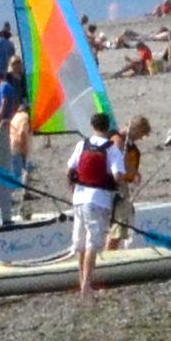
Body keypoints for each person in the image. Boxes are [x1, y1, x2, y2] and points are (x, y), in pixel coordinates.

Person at [61, 121, 128, 294]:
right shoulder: (111, 149)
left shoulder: (82, 144)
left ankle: (81, 279)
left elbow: (69, 171)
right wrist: (119, 189)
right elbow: (118, 175)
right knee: (92, 242)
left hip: (79, 199)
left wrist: (72, 190)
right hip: (98, 200)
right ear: (107, 129)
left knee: (80, 242)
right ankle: (86, 285)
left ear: (92, 126)